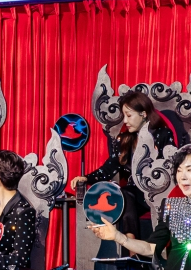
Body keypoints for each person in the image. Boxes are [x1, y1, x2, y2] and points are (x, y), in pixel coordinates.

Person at [69, 90, 175, 238]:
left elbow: (170, 166)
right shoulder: (124, 139)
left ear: (143, 114)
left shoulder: (163, 134)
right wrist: (86, 178)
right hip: (134, 193)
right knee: (123, 195)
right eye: (124, 116)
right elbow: (109, 167)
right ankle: (130, 244)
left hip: (158, 191)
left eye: (129, 115)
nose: (125, 121)